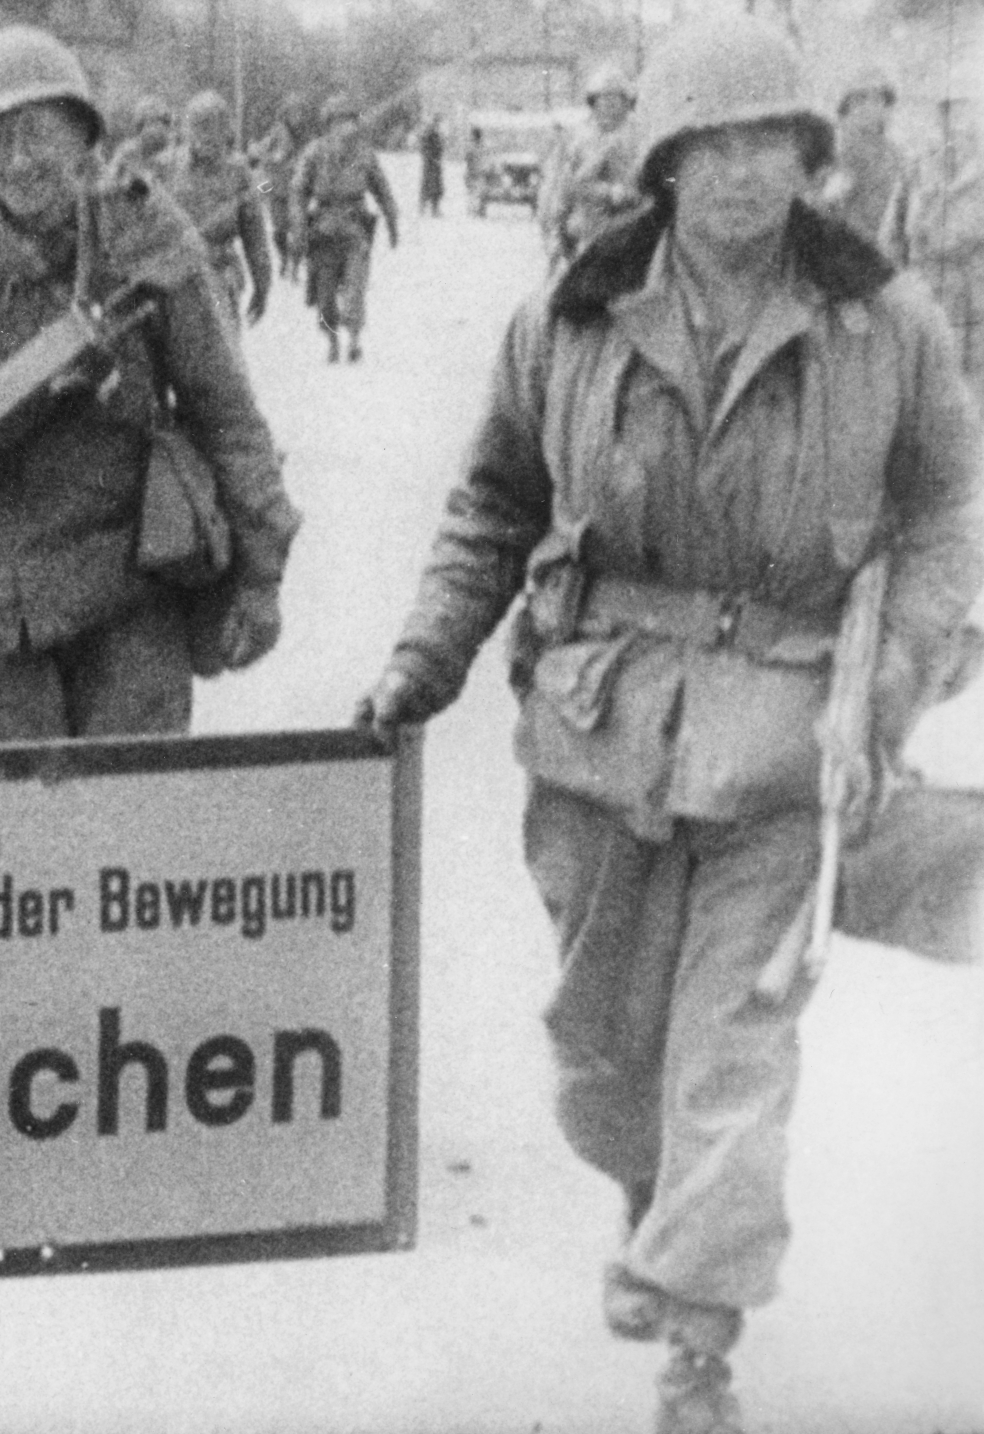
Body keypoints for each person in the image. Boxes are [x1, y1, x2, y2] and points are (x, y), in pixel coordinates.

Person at [354, 16, 982, 1434]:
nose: (749, 174)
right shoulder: (569, 321)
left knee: (734, 1043)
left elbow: (945, 513)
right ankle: (654, 1197)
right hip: (600, 728)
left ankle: (699, 1350)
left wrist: (887, 691)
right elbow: (491, 506)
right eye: (719, 146)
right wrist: (421, 661)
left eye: (776, 143)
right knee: (606, 1049)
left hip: (785, 736)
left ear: (809, 160)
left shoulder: (885, 324)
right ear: (666, 164)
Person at [0, 25, 298, 746]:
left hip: (127, 593)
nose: (21, 159)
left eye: (39, 132)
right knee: (1, 831)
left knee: (133, 833)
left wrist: (261, 574)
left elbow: (228, 418)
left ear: (82, 137)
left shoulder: (147, 251)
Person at [887, 88, 984, 404]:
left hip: (975, 307)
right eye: (948, 112)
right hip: (925, 298)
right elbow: (892, 235)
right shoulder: (918, 168)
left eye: (965, 111)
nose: (958, 123)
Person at [289, 92, 399, 364]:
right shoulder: (314, 153)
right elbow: (298, 191)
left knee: (355, 290)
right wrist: (299, 227)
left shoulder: (365, 154)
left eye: (350, 119)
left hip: (355, 229)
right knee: (324, 298)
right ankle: (332, 341)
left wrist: (393, 221)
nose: (346, 126)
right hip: (323, 233)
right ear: (328, 124)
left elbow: (383, 190)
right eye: (340, 120)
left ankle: (354, 340)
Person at [161, 90, 271, 335]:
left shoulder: (238, 171)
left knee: (224, 345)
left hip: (220, 272)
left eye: (216, 128)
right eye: (201, 127)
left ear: (226, 132)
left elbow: (255, 236)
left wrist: (262, 286)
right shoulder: (166, 167)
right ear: (187, 131)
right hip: (174, 279)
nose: (208, 136)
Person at [540, 62, 642, 264]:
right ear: (593, 101)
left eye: (617, 98)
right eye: (604, 97)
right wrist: (554, 234)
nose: (610, 104)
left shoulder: (639, 135)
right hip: (589, 227)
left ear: (627, 102)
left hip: (634, 225)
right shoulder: (579, 140)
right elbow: (564, 189)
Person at [819, 66, 907, 248]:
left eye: (877, 100)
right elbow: (825, 206)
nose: (868, 107)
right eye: (860, 100)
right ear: (847, 107)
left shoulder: (895, 155)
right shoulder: (837, 149)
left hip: (883, 251)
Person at [252, 92, 312, 276]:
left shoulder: (307, 135)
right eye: (293, 113)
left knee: (299, 230)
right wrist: (273, 158)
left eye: (299, 113)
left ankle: (294, 263)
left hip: (299, 190)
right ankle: (284, 258)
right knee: (278, 231)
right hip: (276, 187)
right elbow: (259, 152)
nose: (297, 117)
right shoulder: (277, 133)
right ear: (286, 114)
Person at [108, 93, 173, 183]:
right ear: (140, 127)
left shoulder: (171, 155)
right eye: (151, 123)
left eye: (162, 124)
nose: (157, 129)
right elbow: (111, 179)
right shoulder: (126, 152)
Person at [417, 114, 446, 217]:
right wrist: (432, 159)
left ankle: (434, 209)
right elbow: (425, 148)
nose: (438, 126)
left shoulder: (435, 134)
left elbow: (439, 148)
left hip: (435, 164)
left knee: (435, 188)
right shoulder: (430, 134)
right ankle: (424, 208)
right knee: (429, 187)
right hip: (430, 164)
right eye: (437, 123)